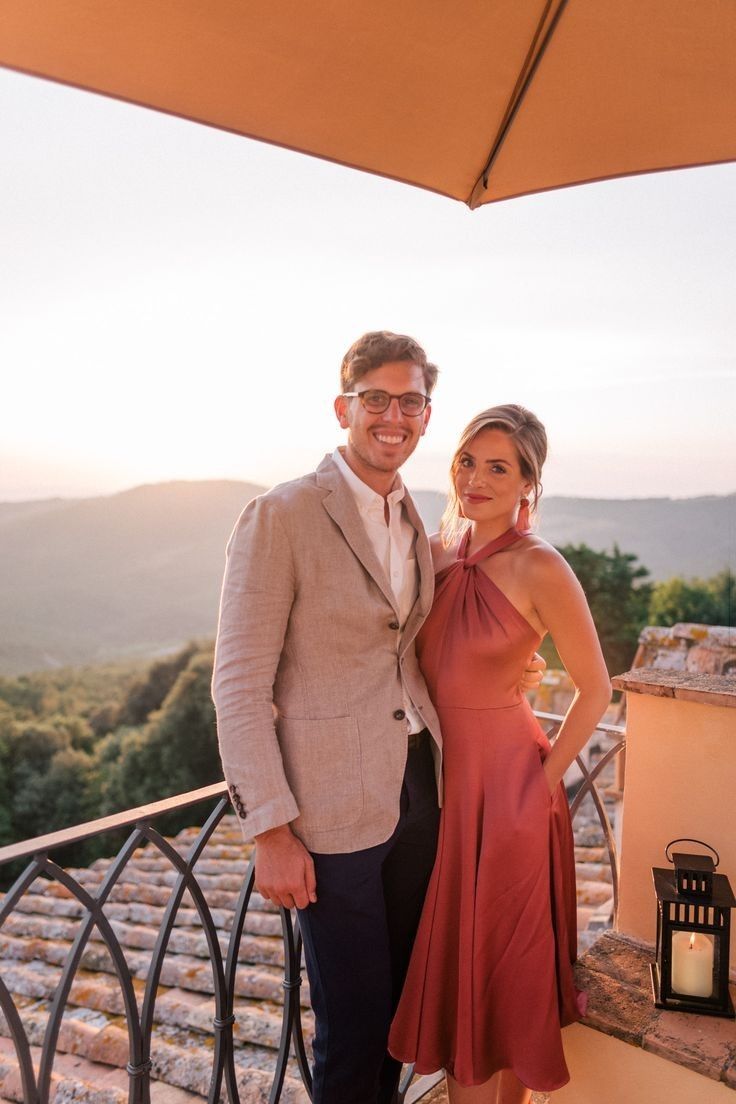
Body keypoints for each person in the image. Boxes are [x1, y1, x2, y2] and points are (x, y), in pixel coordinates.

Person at [212, 337, 544, 1104]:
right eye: (376, 399)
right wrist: (270, 829)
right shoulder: (281, 514)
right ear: (345, 408)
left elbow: (424, 639)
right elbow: (236, 686)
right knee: (351, 1032)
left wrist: (516, 666)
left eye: (411, 402)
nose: (393, 416)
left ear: (426, 417)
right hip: (328, 819)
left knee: (400, 1019)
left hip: (423, 799)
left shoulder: (413, 515)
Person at [389, 405, 612, 1104]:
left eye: (498, 468)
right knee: (464, 975)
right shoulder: (433, 554)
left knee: (501, 976)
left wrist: (543, 784)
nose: (476, 479)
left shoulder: (540, 565)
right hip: (441, 793)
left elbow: (597, 689)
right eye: (467, 461)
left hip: (510, 794)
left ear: (527, 485)